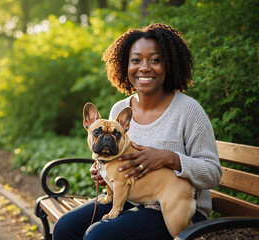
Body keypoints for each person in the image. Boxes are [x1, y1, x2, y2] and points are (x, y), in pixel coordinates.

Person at [52, 23, 222, 240]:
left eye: (155, 60)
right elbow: (116, 162)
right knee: (65, 228)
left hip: (173, 206)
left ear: (169, 64)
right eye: (136, 60)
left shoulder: (188, 111)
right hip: (128, 199)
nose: (144, 67)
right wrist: (103, 172)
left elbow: (213, 174)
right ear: (125, 65)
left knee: (98, 237)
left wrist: (169, 158)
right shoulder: (119, 110)